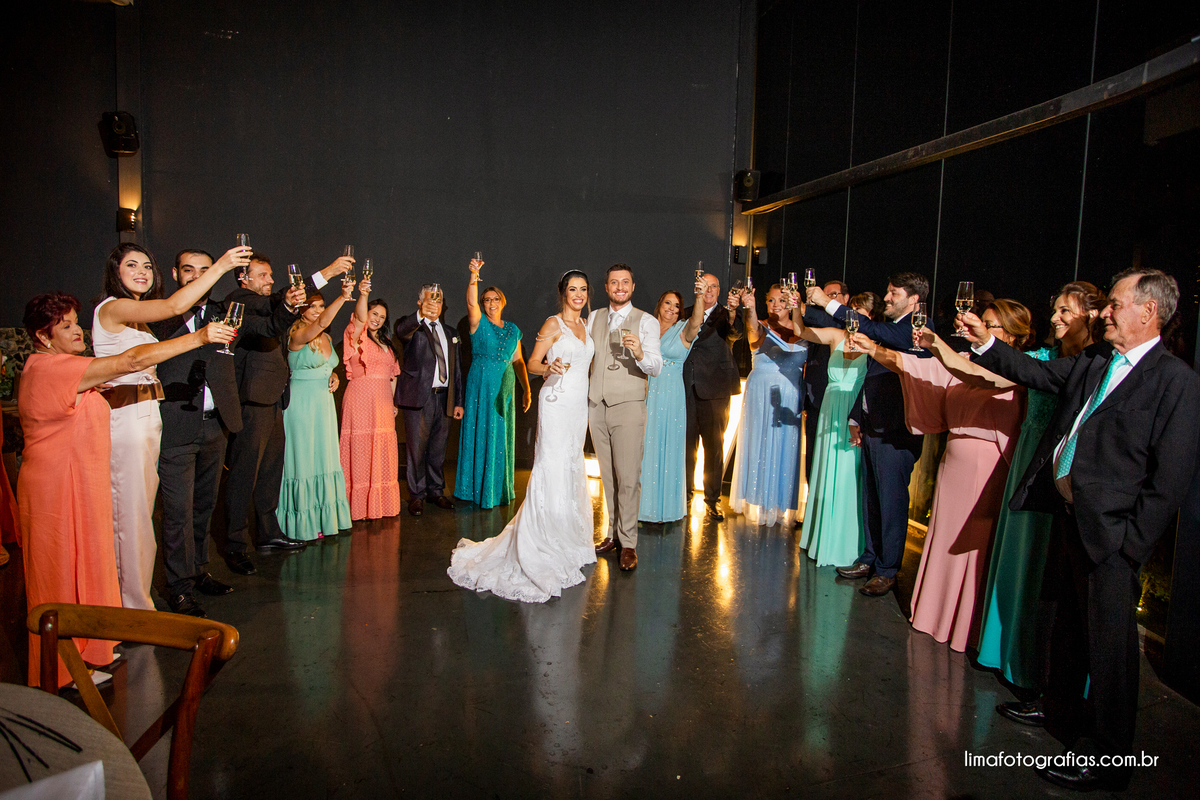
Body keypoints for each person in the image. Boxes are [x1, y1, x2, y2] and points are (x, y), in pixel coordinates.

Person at [967, 269, 1200, 791]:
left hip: (1112, 538)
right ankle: (1060, 716)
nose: (1102, 312)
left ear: (1148, 312)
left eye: (1114, 304)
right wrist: (986, 345)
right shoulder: (1097, 361)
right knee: (1066, 630)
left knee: (1111, 650)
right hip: (1071, 518)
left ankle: (1109, 755)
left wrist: (1128, 545)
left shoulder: (1175, 381)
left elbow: (1171, 479)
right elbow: (1040, 375)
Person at [17, 291, 233, 685]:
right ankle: (62, 669)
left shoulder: (60, 365)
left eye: (75, 323)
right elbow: (131, 360)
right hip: (55, 485)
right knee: (59, 571)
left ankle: (88, 650)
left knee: (85, 563)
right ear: (42, 336)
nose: (77, 331)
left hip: (76, 478)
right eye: (64, 327)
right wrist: (200, 338)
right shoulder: (53, 369)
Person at [851, 299, 1029, 651]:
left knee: (971, 549)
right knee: (943, 540)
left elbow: (969, 375)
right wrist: (873, 347)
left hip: (984, 468)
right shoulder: (970, 362)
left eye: (989, 324)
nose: (978, 328)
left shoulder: (1017, 367)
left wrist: (936, 344)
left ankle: (965, 625)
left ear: (1010, 334)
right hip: (954, 462)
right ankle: (936, 615)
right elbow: (914, 368)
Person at [92, 242, 246, 610]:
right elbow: (134, 347)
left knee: (198, 507)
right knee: (156, 514)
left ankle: (194, 573)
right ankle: (166, 590)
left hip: (172, 421)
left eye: (147, 265)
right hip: (153, 423)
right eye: (132, 265)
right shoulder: (142, 311)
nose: (142, 271)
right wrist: (224, 263)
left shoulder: (144, 317)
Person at [151, 248, 297, 617]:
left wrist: (290, 306)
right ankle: (179, 587)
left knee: (203, 505)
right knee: (178, 514)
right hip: (178, 424)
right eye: (190, 270)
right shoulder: (159, 316)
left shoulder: (224, 313)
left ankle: (199, 571)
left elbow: (267, 327)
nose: (198, 277)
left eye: (206, 270)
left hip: (216, 423)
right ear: (175, 274)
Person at [977, 282, 1102, 691]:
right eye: (1056, 310)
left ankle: (1050, 683)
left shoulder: (1098, 363)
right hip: (1035, 470)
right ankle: (1016, 659)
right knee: (1028, 569)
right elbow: (1022, 372)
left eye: (1066, 311)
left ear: (1091, 316)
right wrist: (975, 343)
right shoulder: (1060, 360)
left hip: (1072, 484)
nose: (1055, 318)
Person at [448, 271, 596, 601]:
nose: (578, 294)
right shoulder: (552, 324)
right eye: (572, 289)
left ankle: (568, 534)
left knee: (571, 465)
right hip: (557, 402)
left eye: (583, 289)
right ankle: (543, 536)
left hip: (578, 407)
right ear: (562, 293)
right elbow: (530, 363)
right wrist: (548, 369)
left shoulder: (588, 325)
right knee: (551, 465)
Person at [224, 253, 350, 576]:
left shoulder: (271, 308)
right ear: (244, 279)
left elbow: (289, 302)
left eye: (270, 275)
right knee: (244, 476)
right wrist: (329, 271)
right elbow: (288, 300)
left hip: (278, 400)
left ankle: (268, 533)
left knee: (270, 473)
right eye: (263, 275)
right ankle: (234, 546)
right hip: (252, 402)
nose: (269, 281)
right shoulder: (241, 300)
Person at [807, 273, 930, 597]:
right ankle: (869, 559)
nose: (887, 298)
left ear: (913, 299)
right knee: (871, 501)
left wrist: (825, 302)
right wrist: (854, 416)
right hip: (874, 426)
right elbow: (870, 379)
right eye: (887, 292)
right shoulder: (891, 331)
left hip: (896, 431)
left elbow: (870, 329)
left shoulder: (913, 330)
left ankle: (888, 570)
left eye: (893, 293)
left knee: (891, 504)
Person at [589, 264, 663, 572]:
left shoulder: (646, 321)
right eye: (614, 282)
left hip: (629, 406)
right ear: (606, 287)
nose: (620, 287)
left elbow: (656, 367)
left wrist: (641, 352)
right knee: (608, 476)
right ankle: (611, 534)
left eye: (625, 282)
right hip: (596, 405)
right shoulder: (594, 317)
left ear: (632, 287)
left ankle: (628, 542)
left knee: (629, 478)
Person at [792, 295, 871, 566]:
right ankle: (820, 536)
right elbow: (799, 331)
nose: (855, 320)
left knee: (850, 473)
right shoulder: (836, 335)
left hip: (852, 411)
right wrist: (795, 306)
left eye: (861, 315)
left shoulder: (874, 346)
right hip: (829, 407)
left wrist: (858, 419)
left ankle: (846, 542)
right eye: (853, 314)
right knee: (825, 468)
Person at [278, 282, 354, 541]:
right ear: (300, 309)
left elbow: (325, 364)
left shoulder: (327, 338)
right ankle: (302, 523)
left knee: (324, 457)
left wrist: (334, 375)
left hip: (324, 404)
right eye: (313, 306)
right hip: (302, 404)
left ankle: (325, 518)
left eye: (321, 306)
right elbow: (319, 325)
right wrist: (344, 297)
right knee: (304, 459)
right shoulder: (296, 335)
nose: (318, 311)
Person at [454, 256, 531, 508]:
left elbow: (519, 361)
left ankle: (497, 489)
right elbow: (469, 301)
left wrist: (526, 390)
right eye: (486, 300)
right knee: (481, 430)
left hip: (505, 386)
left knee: (500, 434)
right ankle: (476, 489)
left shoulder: (513, 329)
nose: (490, 303)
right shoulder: (478, 323)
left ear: (502, 302)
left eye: (495, 299)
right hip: (481, 384)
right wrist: (474, 276)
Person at [729, 284, 808, 526]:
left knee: (787, 446)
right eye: (771, 300)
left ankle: (782, 504)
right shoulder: (762, 325)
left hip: (791, 396)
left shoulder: (805, 331)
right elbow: (752, 328)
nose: (776, 305)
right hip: (762, 394)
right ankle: (758, 502)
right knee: (760, 443)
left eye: (782, 300)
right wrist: (749, 308)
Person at [394, 284, 464, 516]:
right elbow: (401, 330)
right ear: (420, 302)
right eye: (429, 299)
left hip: (444, 398)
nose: (434, 303)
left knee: (438, 450)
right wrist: (420, 315)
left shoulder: (451, 333)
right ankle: (416, 495)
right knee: (416, 450)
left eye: (438, 299)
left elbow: (456, 371)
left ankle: (435, 491)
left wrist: (458, 401)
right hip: (419, 398)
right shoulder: (412, 328)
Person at [638, 281, 705, 523]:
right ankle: (640, 506)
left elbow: (697, 321)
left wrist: (698, 296)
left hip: (671, 395)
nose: (672, 309)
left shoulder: (684, 329)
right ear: (659, 304)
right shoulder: (645, 327)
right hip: (646, 390)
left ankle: (666, 508)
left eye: (677, 306)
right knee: (645, 446)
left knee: (667, 445)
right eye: (668, 303)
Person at [683, 272, 745, 520]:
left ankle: (712, 499)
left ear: (719, 291)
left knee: (714, 448)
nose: (708, 291)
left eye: (714, 287)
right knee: (686, 448)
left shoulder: (727, 316)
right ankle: (684, 496)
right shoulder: (685, 312)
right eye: (704, 286)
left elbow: (735, 333)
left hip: (716, 391)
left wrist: (732, 311)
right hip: (686, 388)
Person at [340, 285, 402, 520]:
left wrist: (393, 402)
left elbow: (392, 375)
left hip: (383, 402)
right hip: (360, 397)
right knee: (361, 447)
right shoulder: (355, 336)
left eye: (382, 317)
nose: (377, 319)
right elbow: (359, 317)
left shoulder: (386, 342)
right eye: (374, 313)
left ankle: (380, 505)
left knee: (381, 448)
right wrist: (363, 294)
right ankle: (357, 507)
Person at [803, 279, 850, 476]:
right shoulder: (818, 320)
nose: (826, 299)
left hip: (842, 402)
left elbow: (828, 321)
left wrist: (804, 307)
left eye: (832, 295)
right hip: (816, 397)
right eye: (824, 295)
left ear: (846, 298)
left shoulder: (847, 320)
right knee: (812, 457)